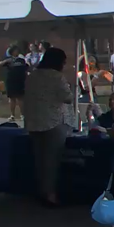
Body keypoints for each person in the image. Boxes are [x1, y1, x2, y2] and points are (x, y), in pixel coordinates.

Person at [24, 46, 74, 207]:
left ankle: (40, 191)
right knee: (52, 160)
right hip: (53, 122)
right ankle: (50, 194)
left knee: (39, 160)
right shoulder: (57, 77)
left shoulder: (32, 76)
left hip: (34, 121)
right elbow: (67, 98)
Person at [0, 45, 29, 124]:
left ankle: (22, 115)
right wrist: (6, 61)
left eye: (17, 50)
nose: (16, 52)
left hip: (19, 81)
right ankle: (12, 115)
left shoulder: (21, 60)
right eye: (15, 50)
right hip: (11, 80)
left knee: (20, 98)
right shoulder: (7, 59)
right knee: (12, 98)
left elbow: (26, 67)